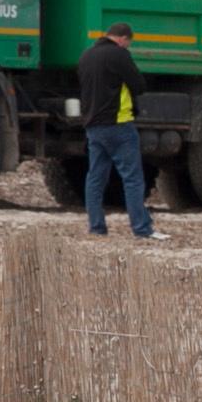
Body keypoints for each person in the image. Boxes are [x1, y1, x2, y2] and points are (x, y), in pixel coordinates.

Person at [78, 23, 167, 241]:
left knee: (95, 178)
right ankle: (142, 228)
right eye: (128, 43)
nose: (128, 47)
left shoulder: (86, 56)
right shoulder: (119, 55)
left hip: (93, 127)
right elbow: (139, 85)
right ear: (123, 39)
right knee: (133, 179)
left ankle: (96, 227)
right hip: (119, 125)